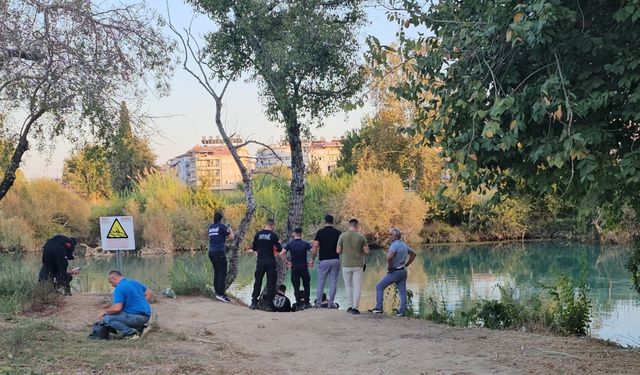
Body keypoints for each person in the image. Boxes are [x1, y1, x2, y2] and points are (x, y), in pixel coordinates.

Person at [369, 228, 417, 317]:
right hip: (403, 271)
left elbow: (389, 257)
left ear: (395, 236)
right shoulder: (403, 244)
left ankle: (379, 308)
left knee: (379, 286)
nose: (389, 236)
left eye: (390, 234)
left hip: (395, 271)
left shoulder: (394, 245)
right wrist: (406, 265)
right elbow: (413, 254)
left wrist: (390, 267)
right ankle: (402, 311)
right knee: (402, 291)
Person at [98, 270, 152, 340]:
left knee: (107, 318)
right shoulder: (134, 282)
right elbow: (149, 293)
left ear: (113, 278)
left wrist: (104, 311)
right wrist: (140, 303)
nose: (112, 285)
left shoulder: (119, 288)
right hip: (146, 317)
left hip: (136, 318)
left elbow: (117, 308)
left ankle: (131, 334)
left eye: (110, 282)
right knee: (120, 313)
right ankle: (140, 328)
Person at [336, 218, 369, 314]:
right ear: (357, 226)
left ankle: (349, 306)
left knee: (348, 286)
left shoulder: (342, 236)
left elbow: (338, 250)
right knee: (357, 286)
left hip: (346, 264)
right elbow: (367, 251)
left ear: (349, 225)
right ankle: (355, 307)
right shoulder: (361, 237)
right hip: (358, 264)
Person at [249, 218, 283, 310]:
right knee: (271, 283)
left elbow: (254, 248)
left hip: (260, 262)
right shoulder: (273, 235)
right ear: (272, 225)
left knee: (257, 282)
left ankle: (253, 302)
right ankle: (268, 304)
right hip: (270, 262)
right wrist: (278, 243)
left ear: (266, 224)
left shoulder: (258, 234)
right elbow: (279, 249)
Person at [309, 214, 341, 309]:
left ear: (324, 221)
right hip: (335, 259)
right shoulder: (338, 233)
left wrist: (312, 259)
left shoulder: (320, 232)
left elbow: (315, 247)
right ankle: (330, 303)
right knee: (333, 282)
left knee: (320, 283)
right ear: (333, 222)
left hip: (323, 260)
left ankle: (318, 303)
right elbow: (341, 247)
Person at [282, 227, 312, 310]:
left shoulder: (290, 244)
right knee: (306, 285)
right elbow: (313, 251)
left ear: (294, 234)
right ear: (301, 234)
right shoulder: (305, 243)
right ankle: (306, 303)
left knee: (296, 286)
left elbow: (281, 253)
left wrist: (287, 262)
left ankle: (298, 304)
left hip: (294, 268)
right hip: (304, 267)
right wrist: (311, 260)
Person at [207, 211, 235, 303]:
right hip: (219, 252)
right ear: (221, 219)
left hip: (211, 252)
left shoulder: (210, 227)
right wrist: (230, 229)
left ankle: (217, 292)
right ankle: (221, 295)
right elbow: (231, 237)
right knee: (222, 273)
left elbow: (216, 237)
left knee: (217, 272)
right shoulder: (222, 226)